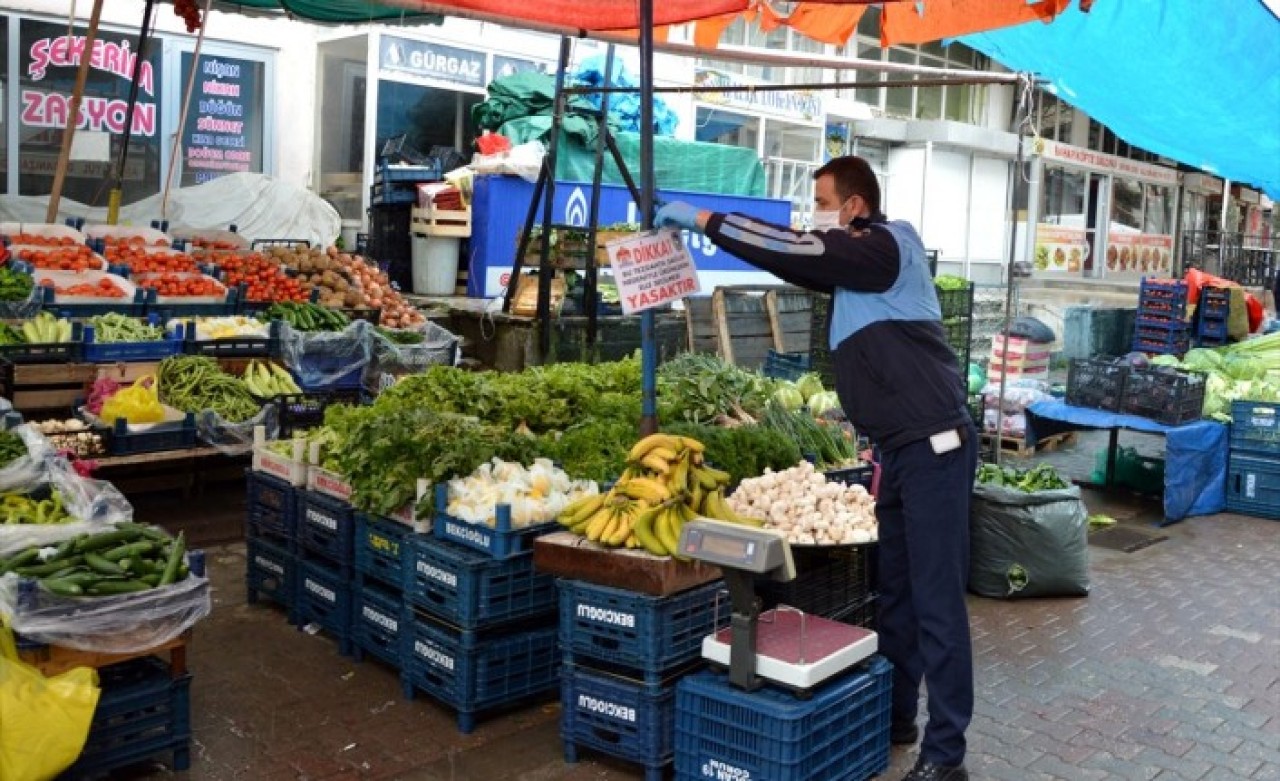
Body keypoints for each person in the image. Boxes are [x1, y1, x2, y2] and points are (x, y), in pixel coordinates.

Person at [655, 156, 978, 781]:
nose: (815, 216)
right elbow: (791, 256)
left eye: (824, 202)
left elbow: (794, 247)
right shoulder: (855, 270)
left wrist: (702, 219)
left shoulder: (883, 247)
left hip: (935, 450)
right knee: (898, 597)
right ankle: (898, 717)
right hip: (900, 454)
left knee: (936, 603)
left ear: (854, 206)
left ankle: (947, 756)